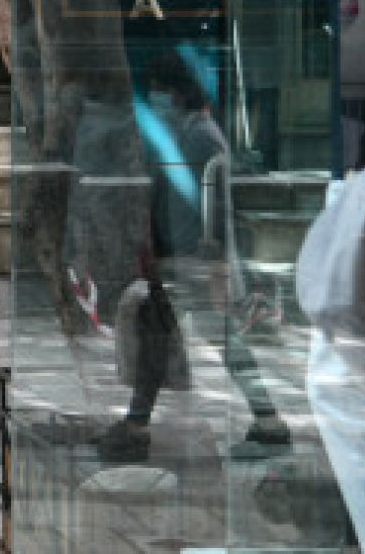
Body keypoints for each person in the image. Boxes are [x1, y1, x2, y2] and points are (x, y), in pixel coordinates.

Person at [98, 50, 290, 463]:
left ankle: (269, 421)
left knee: (219, 342)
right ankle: (137, 424)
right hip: (180, 258)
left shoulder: (200, 137)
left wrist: (211, 266)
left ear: (177, 92)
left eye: (160, 89)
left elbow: (212, 209)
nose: (156, 98)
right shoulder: (186, 133)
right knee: (160, 337)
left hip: (195, 262)